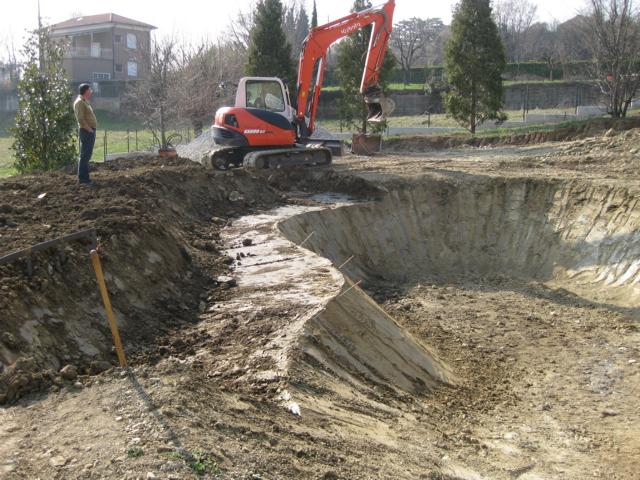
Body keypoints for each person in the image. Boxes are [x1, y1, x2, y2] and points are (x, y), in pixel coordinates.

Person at [73, 83, 97, 185]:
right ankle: (83, 179)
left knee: (87, 154)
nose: (91, 91)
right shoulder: (79, 103)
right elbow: (80, 119)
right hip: (87, 131)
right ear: (86, 91)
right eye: (90, 89)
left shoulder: (84, 101)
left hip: (89, 131)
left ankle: (85, 177)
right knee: (85, 155)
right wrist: (89, 129)